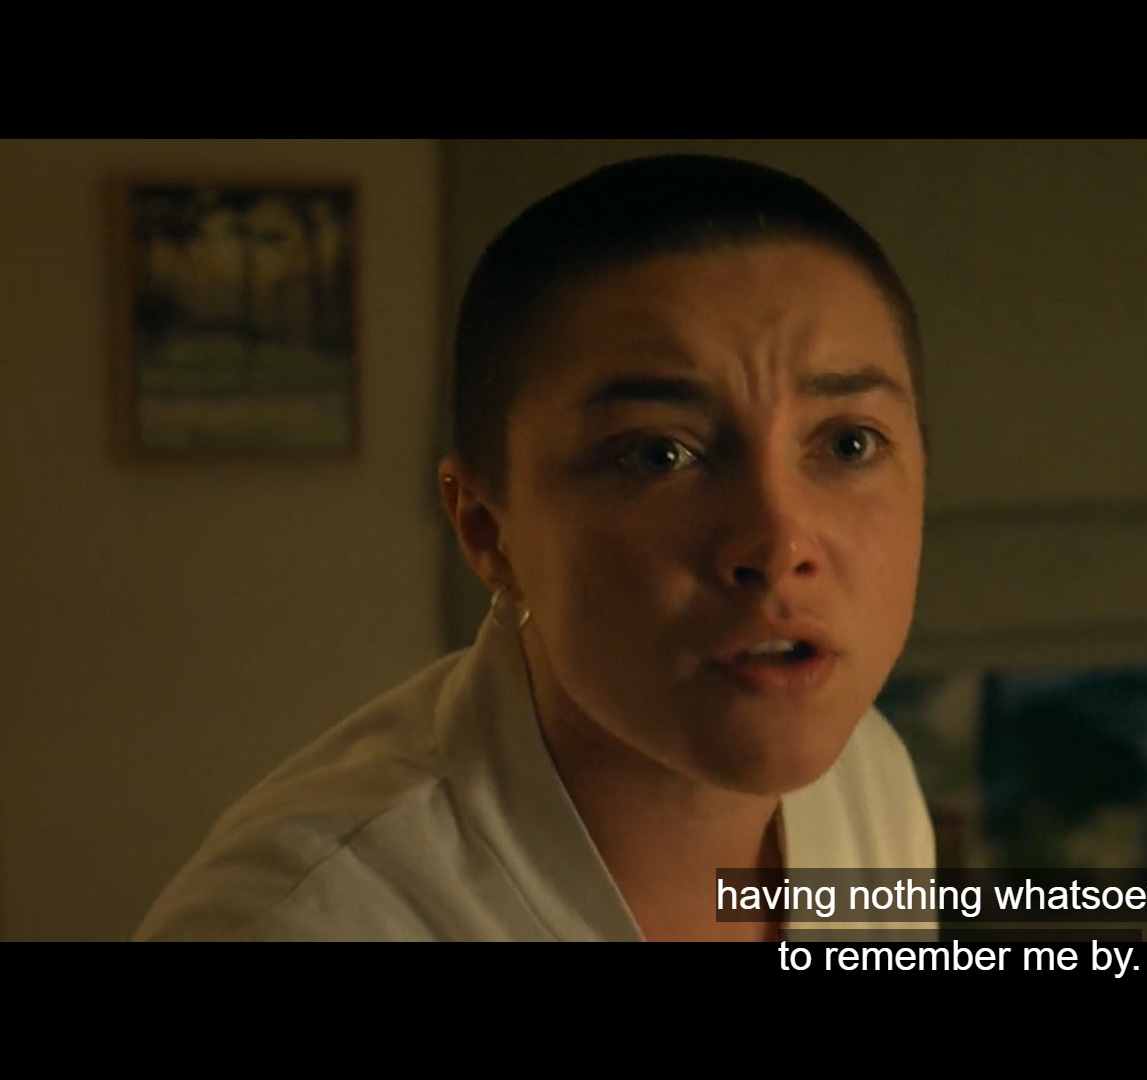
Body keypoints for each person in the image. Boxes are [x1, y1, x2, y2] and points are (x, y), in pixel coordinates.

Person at [136, 155, 937, 941]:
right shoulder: (307, 919)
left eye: (850, 444)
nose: (781, 541)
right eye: (660, 454)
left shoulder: (866, 781)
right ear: (487, 529)